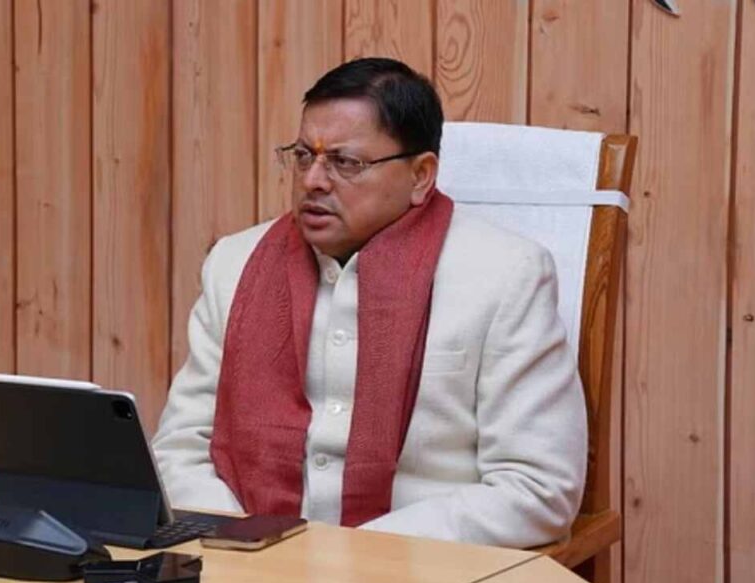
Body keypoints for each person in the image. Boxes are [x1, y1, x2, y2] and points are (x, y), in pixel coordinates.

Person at [152, 57, 586, 548]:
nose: (313, 180)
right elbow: (179, 451)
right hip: (245, 565)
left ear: (421, 176)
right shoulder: (234, 264)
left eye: (346, 163)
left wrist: (356, 556)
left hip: (423, 572)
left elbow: (538, 489)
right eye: (303, 156)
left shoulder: (505, 275)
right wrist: (243, 539)